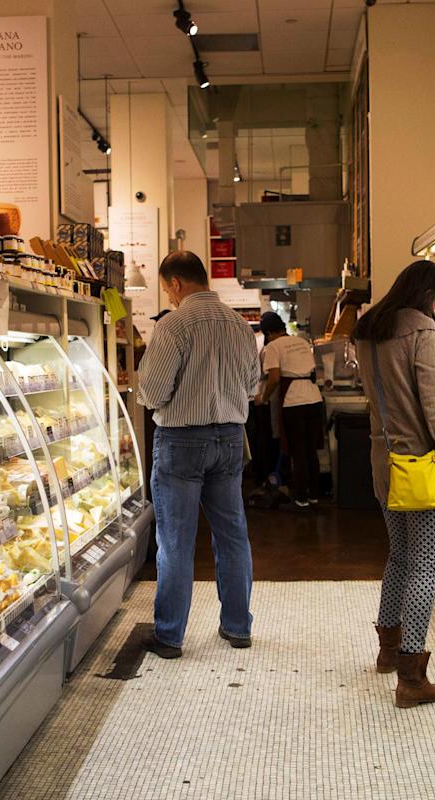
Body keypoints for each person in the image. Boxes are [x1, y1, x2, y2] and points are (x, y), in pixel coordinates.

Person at [352, 260, 435, 709]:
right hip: (418, 462)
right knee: (424, 566)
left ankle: (387, 651)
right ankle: (412, 677)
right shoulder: (422, 333)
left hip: (383, 460)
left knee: (399, 557)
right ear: (428, 294)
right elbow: (433, 403)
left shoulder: (370, 330)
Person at [136, 251, 261, 659]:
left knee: (175, 541)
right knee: (232, 534)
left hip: (181, 442)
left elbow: (153, 392)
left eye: (166, 289)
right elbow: (251, 387)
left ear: (175, 283)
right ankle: (238, 626)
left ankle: (170, 636)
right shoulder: (240, 326)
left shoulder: (173, 325)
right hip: (229, 438)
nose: (169, 297)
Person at [255, 311, 325, 508]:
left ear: (268, 332)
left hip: (294, 402)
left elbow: (274, 378)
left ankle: (301, 499)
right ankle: (314, 496)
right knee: (311, 452)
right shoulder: (302, 342)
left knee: (298, 452)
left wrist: (263, 398)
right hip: (314, 398)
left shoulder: (273, 347)